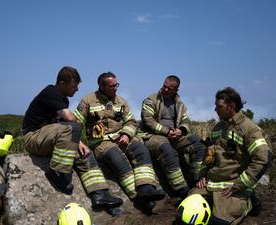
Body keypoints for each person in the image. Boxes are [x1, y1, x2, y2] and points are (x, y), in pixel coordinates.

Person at [22, 66, 123, 211]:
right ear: (62, 83)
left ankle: (100, 194)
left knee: (85, 153)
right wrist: (75, 135)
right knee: (73, 126)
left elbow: (60, 125)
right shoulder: (50, 92)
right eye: (74, 86)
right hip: (33, 137)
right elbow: (69, 120)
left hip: (49, 137)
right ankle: (57, 172)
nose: (76, 90)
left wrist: (80, 143)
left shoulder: (64, 100)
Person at [74, 72, 165, 214]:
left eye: (116, 85)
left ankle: (147, 188)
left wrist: (126, 134)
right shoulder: (87, 101)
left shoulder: (121, 101)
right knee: (118, 159)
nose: (115, 88)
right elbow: (75, 124)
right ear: (102, 86)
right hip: (101, 142)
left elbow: (131, 121)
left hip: (122, 138)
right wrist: (78, 142)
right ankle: (139, 198)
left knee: (140, 150)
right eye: (112, 86)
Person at [191, 87, 273, 225]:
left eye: (219, 106)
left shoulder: (249, 129)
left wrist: (239, 185)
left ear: (231, 106)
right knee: (186, 215)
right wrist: (203, 174)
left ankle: (248, 203)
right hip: (210, 184)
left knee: (219, 222)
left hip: (232, 186)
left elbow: (263, 159)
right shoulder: (217, 128)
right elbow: (209, 155)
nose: (215, 110)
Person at [140, 75, 206, 198]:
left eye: (169, 88)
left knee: (198, 144)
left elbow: (186, 120)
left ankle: (197, 179)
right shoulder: (150, 100)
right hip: (152, 136)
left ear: (176, 90)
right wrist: (167, 131)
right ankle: (181, 189)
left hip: (175, 136)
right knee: (167, 150)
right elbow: (148, 121)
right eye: (164, 86)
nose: (165, 90)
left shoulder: (180, 104)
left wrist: (181, 130)